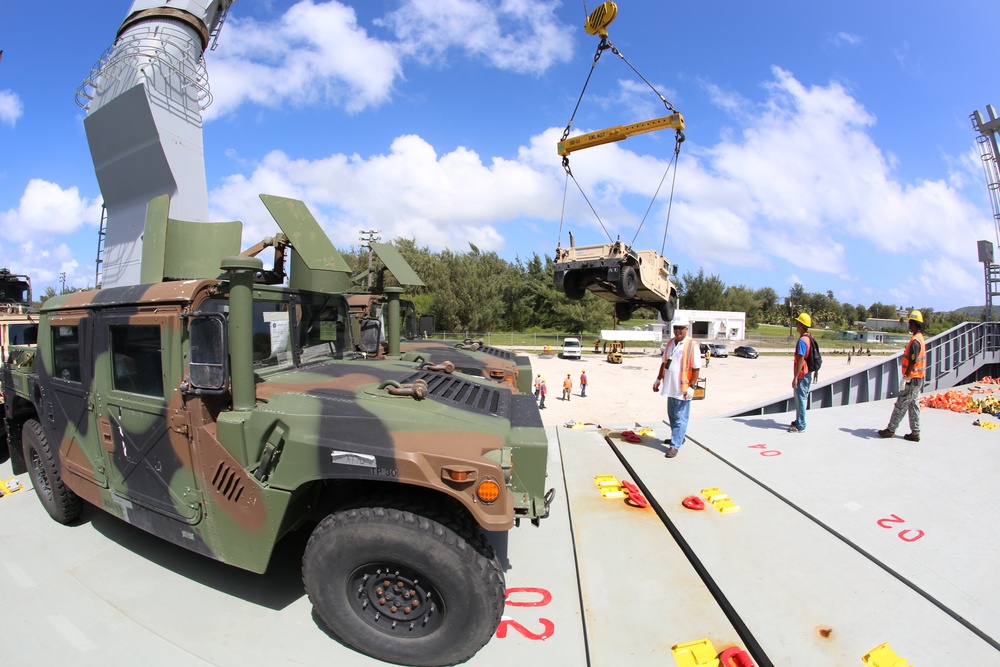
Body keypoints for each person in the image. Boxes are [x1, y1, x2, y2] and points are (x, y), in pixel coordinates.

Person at [652, 316, 702, 458]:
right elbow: (664, 363)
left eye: (680, 328)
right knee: (672, 416)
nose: (677, 331)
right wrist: (658, 379)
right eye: (675, 328)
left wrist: (692, 386)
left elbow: (696, 367)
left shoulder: (692, 345)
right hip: (670, 388)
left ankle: (675, 445)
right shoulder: (670, 343)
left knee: (681, 417)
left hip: (683, 389)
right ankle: (678, 437)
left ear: (686, 329)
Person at [878, 310, 926, 442]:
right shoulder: (921, 338)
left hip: (913, 378)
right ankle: (915, 432)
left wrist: (906, 377)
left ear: (914, 324)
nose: (908, 325)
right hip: (919, 378)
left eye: (910, 323)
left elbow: (912, 361)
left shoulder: (915, 341)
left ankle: (891, 429)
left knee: (901, 404)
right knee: (914, 405)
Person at [789, 312, 814, 433]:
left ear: (801, 325)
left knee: (801, 399)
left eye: (798, 323)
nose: (796, 325)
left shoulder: (802, 341)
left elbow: (800, 360)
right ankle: (799, 420)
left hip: (802, 374)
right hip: (807, 373)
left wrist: (795, 377)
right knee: (801, 399)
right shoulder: (809, 337)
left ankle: (801, 424)